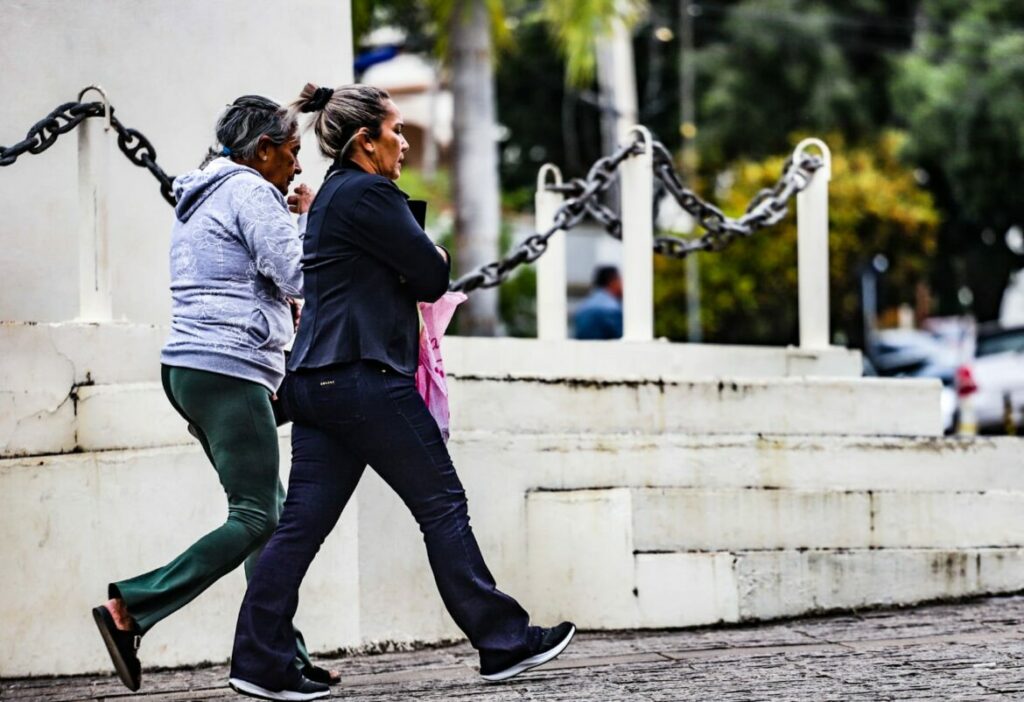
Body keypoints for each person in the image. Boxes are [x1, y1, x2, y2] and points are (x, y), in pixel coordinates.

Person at [227, 83, 575, 702]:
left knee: (300, 526)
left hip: (315, 380)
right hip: (363, 377)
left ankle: (258, 660)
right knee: (441, 503)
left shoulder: (334, 193)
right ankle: (501, 641)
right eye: (395, 131)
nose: (405, 142)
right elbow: (432, 273)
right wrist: (429, 250)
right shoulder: (368, 192)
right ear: (365, 140)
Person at [91, 95, 338, 692]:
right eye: (293, 153)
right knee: (257, 515)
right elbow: (299, 273)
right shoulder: (251, 191)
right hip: (229, 369)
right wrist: (308, 218)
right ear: (262, 151)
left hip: (190, 370)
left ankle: (282, 655)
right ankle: (134, 608)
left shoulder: (203, 191)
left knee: (267, 516)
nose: (298, 168)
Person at [574, 265, 624, 340]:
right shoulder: (612, 308)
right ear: (613, 281)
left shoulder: (584, 305)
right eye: (620, 280)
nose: (623, 285)